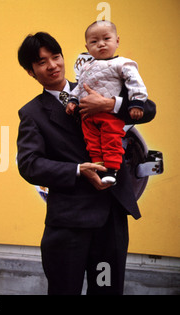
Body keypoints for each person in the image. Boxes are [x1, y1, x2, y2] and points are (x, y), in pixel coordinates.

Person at [16, 31, 156, 294]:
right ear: (31, 72)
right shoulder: (32, 114)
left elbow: (147, 109)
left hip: (110, 217)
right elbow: (30, 164)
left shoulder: (101, 84)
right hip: (69, 225)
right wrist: (78, 170)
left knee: (106, 290)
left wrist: (111, 104)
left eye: (55, 56)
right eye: (41, 62)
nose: (52, 65)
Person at [66, 21, 148, 184]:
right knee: (93, 143)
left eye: (106, 39)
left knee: (111, 141)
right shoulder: (85, 68)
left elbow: (135, 83)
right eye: (94, 41)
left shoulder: (123, 64)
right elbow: (80, 88)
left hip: (109, 116)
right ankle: (99, 168)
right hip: (87, 117)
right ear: (87, 47)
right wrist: (73, 100)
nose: (101, 44)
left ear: (117, 41)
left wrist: (136, 102)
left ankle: (111, 169)